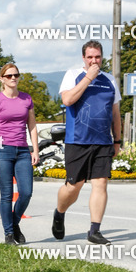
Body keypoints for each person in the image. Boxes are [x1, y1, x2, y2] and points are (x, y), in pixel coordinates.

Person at [51, 40, 121, 245]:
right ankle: (59, 212)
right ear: (83, 58)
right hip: (78, 140)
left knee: (101, 183)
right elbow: (67, 100)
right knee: (74, 186)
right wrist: (89, 77)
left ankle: (94, 231)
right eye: (90, 57)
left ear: (102, 57)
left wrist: (117, 140)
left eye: (97, 57)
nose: (94, 61)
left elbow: (115, 114)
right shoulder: (73, 75)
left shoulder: (109, 80)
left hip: (103, 141)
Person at [0, 63, 39, 243]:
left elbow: (32, 126)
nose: (13, 78)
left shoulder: (26, 99)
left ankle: (14, 224)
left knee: (26, 192)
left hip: (23, 151)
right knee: (7, 195)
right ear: (2, 79)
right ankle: (8, 233)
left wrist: (35, 150)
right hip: (2, 151)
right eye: (9, 76)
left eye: (16, 75)